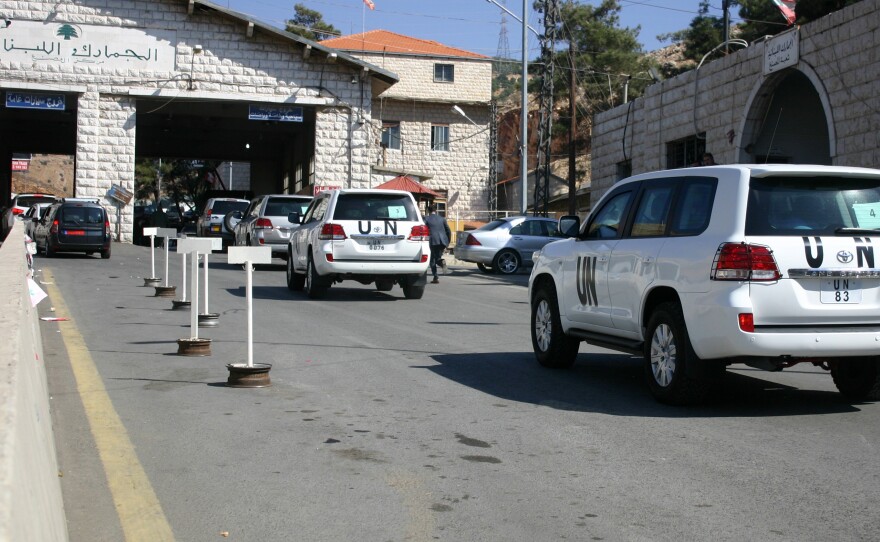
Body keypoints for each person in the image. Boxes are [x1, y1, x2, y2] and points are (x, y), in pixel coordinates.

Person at [424, 203, 451, 284]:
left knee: (432, 260)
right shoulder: (442, 219)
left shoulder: (426, 219)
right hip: (442, 241)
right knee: (438, 257)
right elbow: (448, 231)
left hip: (432, 241)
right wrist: (447, 242)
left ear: (428, 211)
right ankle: (441, 262)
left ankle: (435, 277)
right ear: (436, 210)